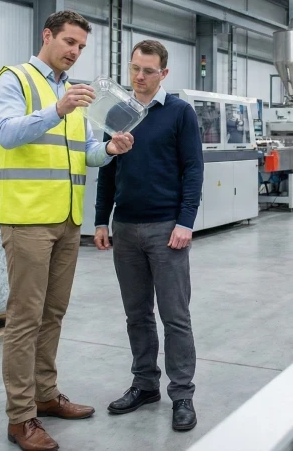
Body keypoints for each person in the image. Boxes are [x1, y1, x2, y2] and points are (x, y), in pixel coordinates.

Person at [0, 10, 134, 451]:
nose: (74, 52)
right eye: (69, 42)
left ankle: (46, 395)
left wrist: (108, 148)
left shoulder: (74, 92)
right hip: (28, 218)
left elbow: (82, 152)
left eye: (81, 47)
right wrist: (57, 108)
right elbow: (8, 134)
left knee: (52, 315)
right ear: (47, 36)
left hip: (68, 220)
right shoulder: (13, 80)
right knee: (24, 319)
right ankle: (20, 418)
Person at [94, 39, 204, 432]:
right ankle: (145, 384)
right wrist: (101, 220)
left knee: (175, 317)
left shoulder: (179, 113)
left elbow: (193, 169)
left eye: (148, 71)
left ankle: (182, 394)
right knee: (136, 314)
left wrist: (185, 222)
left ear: (164, 74)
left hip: (165, 229)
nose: (139, 77)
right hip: (125, 228)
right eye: (135, 69)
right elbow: (108, 166)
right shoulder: (119, 112)